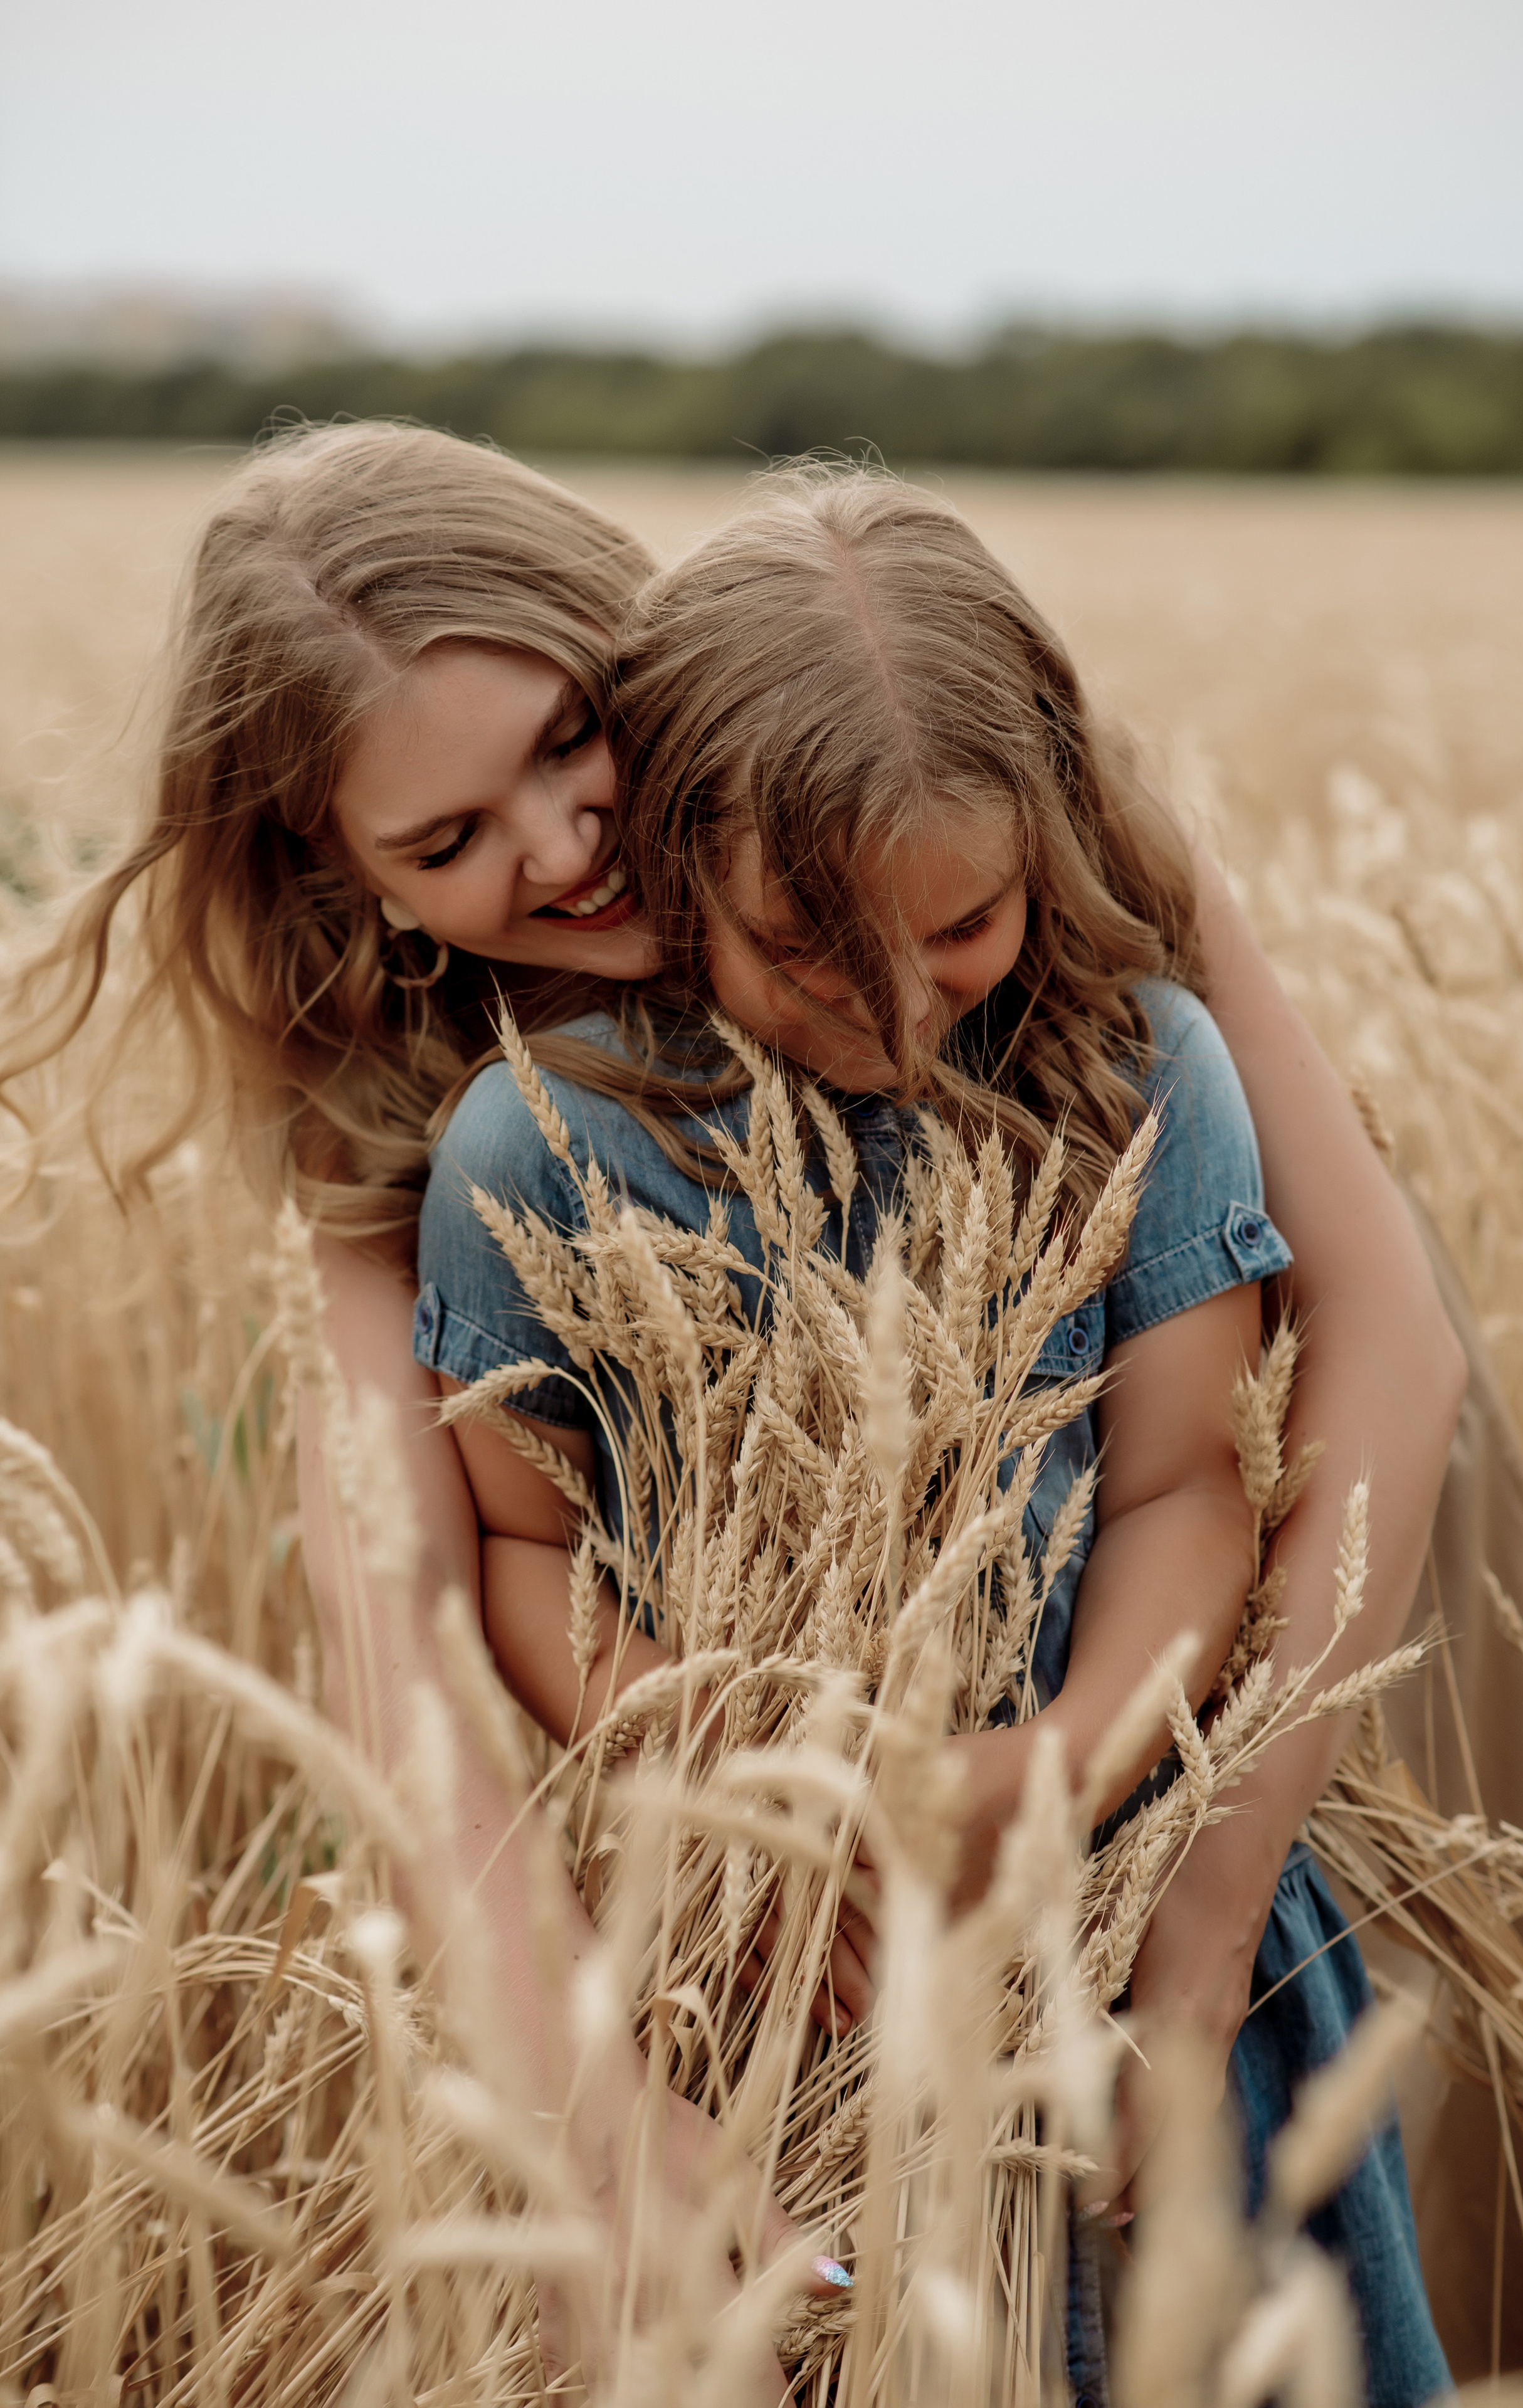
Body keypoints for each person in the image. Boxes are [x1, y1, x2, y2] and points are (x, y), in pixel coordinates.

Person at [1, 425, 1465, 2396]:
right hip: (750, 1916)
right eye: (443, 843)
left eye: (568, 741)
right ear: (355, 887)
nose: (559, 848)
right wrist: (608, 2111)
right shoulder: (444, 1121)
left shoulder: (957, 817)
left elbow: (1376, 1343)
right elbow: (410, 1635)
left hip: (1204, 1716)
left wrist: (1192, 1914)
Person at [410, 466, 1453, 2402]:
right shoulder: (542, 1148)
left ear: (1042, 841)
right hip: (758, 1978)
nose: (892, 1015)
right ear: (663, 872)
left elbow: (1186, 1487)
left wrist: (1061, 1763)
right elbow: (523, 1553)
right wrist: (747, 1770)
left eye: (960, 924)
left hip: (1135, 1936)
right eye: (803, 950)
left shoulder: (1137, 1068)